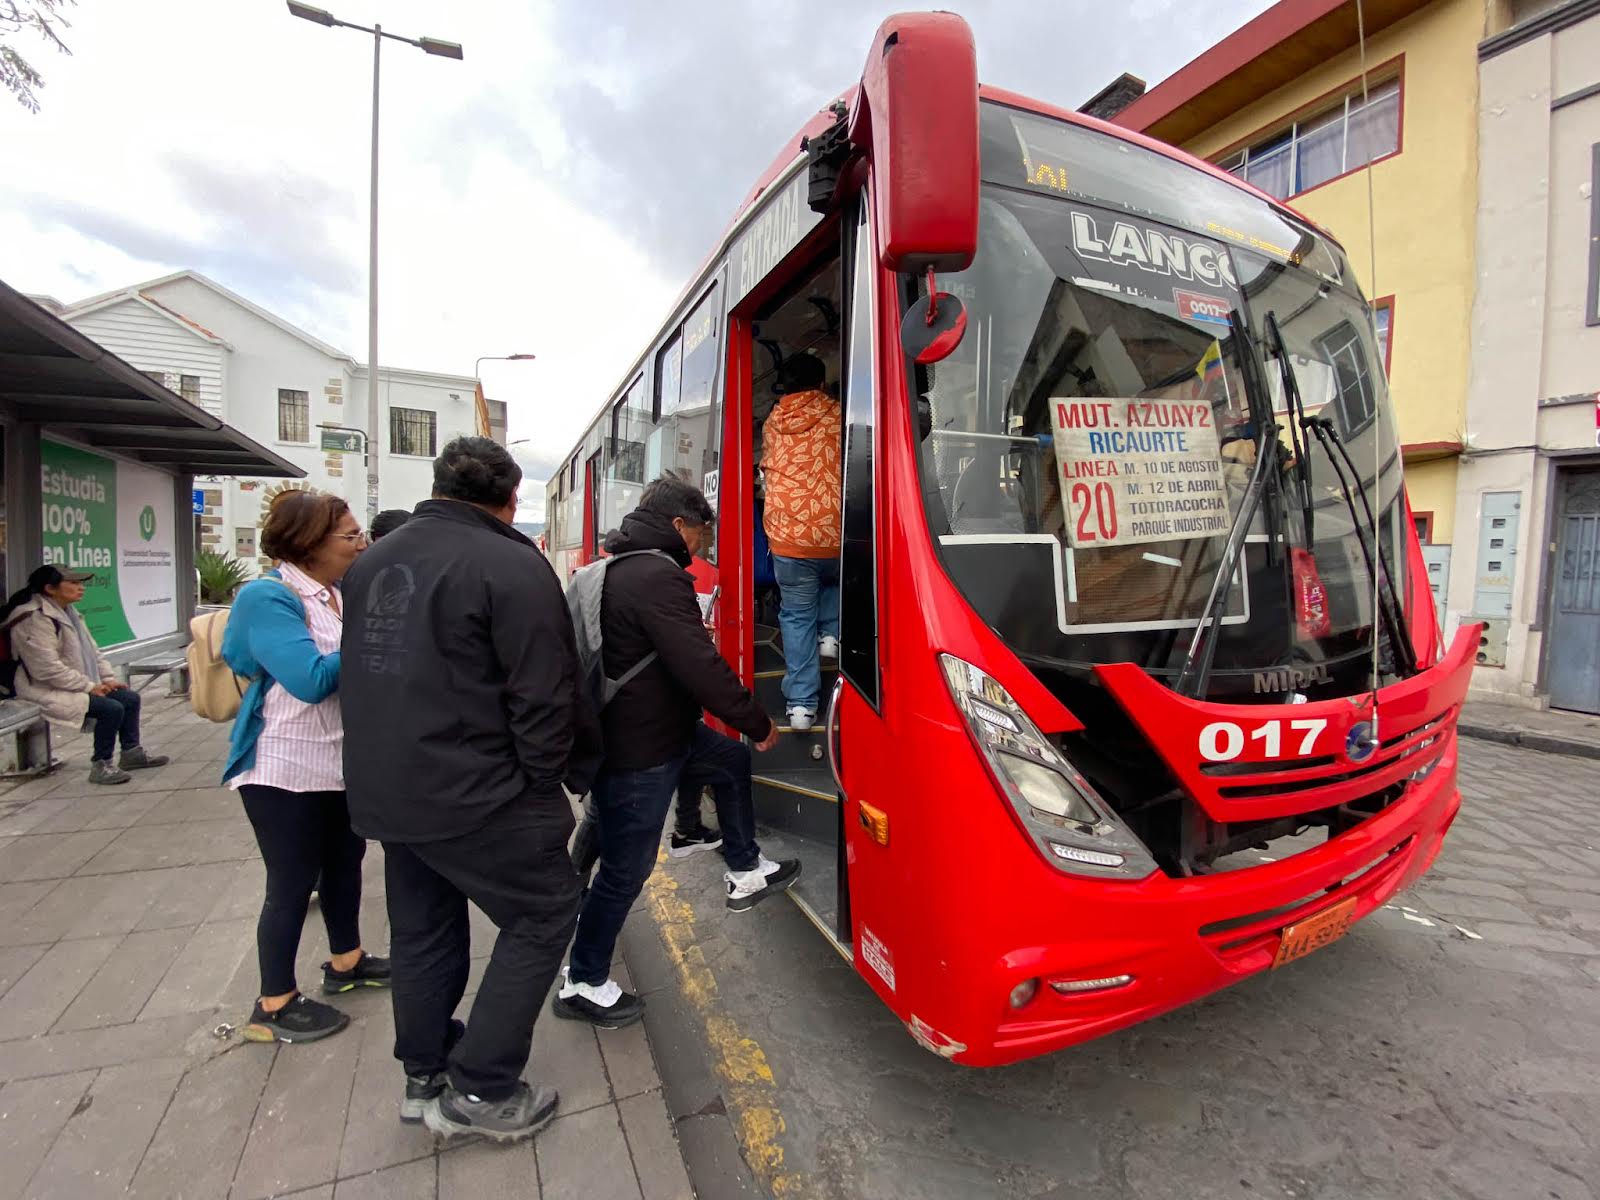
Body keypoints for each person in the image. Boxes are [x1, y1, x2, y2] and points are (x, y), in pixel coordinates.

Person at [340, 436, 600, 1144]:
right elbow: (543, 694)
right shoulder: (511, 564)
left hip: (391, 790)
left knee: (423, 932)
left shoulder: (374, 560)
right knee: (546, 910)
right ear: (511, 496)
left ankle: (423, 1075)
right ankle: (483, 1088)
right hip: (479, 792)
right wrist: (543, 787)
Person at [559, 476, 798, 1030]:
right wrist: (755, 719)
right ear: (677, 525)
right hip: (642, 750)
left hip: (654, 735)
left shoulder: (617, 568)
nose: (702, 546)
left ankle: (742, 867)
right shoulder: (658, 577)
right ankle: (583, 979)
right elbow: (699, 663)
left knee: (730, 763)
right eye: (700, 533)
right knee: (626, 868)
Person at [221, 490, 388, 1045]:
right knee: (291, 883)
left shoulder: (337, 594)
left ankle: (346, 964)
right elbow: (311, 679)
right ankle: (274, 1002)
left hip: (338, 761)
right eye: (350, 536)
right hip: (283, 768)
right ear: (310, 542)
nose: (361, 543)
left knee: (345, 865)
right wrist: (375, 638)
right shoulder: (269, 597)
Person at [0, 565, 170, 785]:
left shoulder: (68, 612)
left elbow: (93, 652)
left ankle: (131, 753)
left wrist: (107, 679)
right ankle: (102, 764)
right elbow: (45, 669)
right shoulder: (34, 618)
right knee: (110, 708)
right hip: (39, 688)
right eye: (73, 583)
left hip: (71, 683)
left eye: (80, 583)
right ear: (50, 588)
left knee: (129, 698)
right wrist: (89, 687)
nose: (81, 588)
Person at [760, 353, 842, 731]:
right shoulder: (838, 414)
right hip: (833, 529)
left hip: (787, 537)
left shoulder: (772, 423)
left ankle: (801, 707)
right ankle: (831, 633)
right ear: (821, 385)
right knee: (837, 575)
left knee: (794, 616)